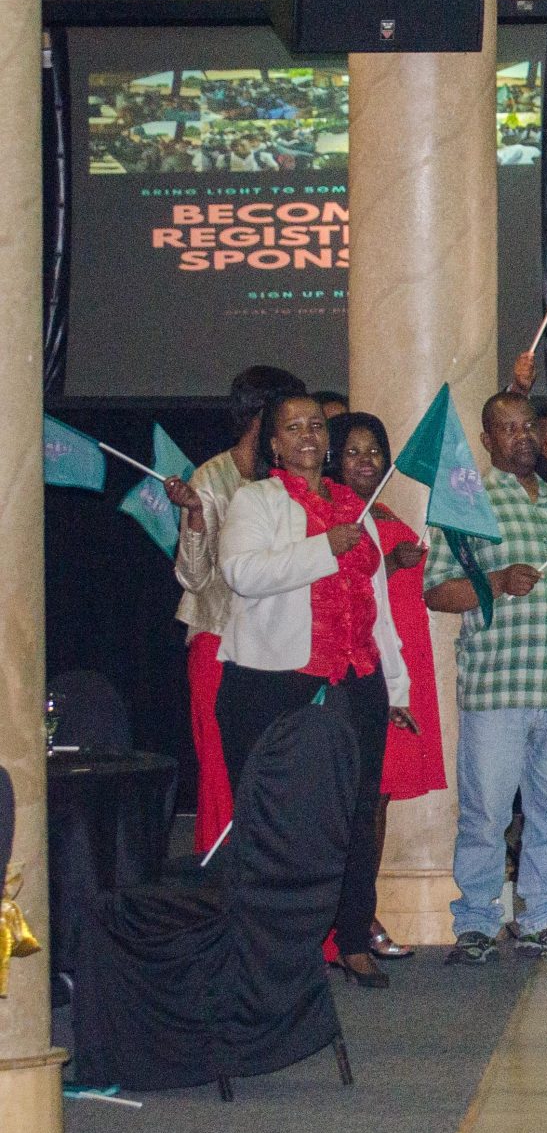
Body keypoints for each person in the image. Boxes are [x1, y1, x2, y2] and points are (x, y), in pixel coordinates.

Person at [215, 394, 414, 989]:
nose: (307, 435)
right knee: (278, 816)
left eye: (316, 426)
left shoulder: (355, 506)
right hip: (273, 680)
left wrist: (395, 684)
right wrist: (324, 548)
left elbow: (379, 606)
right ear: (273, 443)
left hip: (357, 677)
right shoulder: (257, 500)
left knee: (357, 812)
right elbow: (242, 573)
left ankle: (351, 938)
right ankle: (272, 948)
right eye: (293, 427)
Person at [425, 391, 547, 965]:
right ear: (487, 440)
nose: (523, 435)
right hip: (498, 684)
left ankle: (545, 917)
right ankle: (477, 923)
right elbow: (437, 590)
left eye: (528, 425)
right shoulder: (467, 507)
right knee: (487, 813)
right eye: (508, 428)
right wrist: (498, 581)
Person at [324, 413, 449, 963]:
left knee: (375, 802)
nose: (366, 461)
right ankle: (345, 918)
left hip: (391, 668)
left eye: (375, 451)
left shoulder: (382, 514)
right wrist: (392, 564)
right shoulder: (333, 513)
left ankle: (358, 912)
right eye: (353, 451)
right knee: (352, 803)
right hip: (350, 672)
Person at [172, 363, 306, 855]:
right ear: (262, 415)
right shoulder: (212, 476)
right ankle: (223, 875)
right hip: (218, 640)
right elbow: (193, 578)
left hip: (280, 646)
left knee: (276, 769)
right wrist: (194, 515)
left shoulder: (292, 479)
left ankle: (272, 872)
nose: (302, 430)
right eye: (290, 417)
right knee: (221, 768)